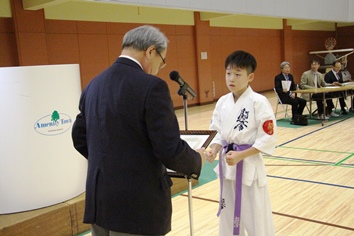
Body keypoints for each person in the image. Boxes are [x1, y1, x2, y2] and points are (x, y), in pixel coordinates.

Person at [71, 25, 206, 236]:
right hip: (137, 207)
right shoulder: (152, 87)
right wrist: (197, 160)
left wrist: (112, 162)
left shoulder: (93, 85)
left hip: (100, 202)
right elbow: (169, 149)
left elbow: (79, 137)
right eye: (162, 62)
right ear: (151, 51)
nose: (159, 69)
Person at [206, 50, 276, 236]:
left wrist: (241, 155)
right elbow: (219, 133)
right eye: (228, 73)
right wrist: (214, 149)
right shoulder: (222, 102)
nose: (232, 78)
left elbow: (267, 137)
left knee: (255, 216)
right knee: (227, 214)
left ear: (250, 76)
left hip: (248, 167)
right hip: (227, 166)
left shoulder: (258, 102)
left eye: (238, 74)